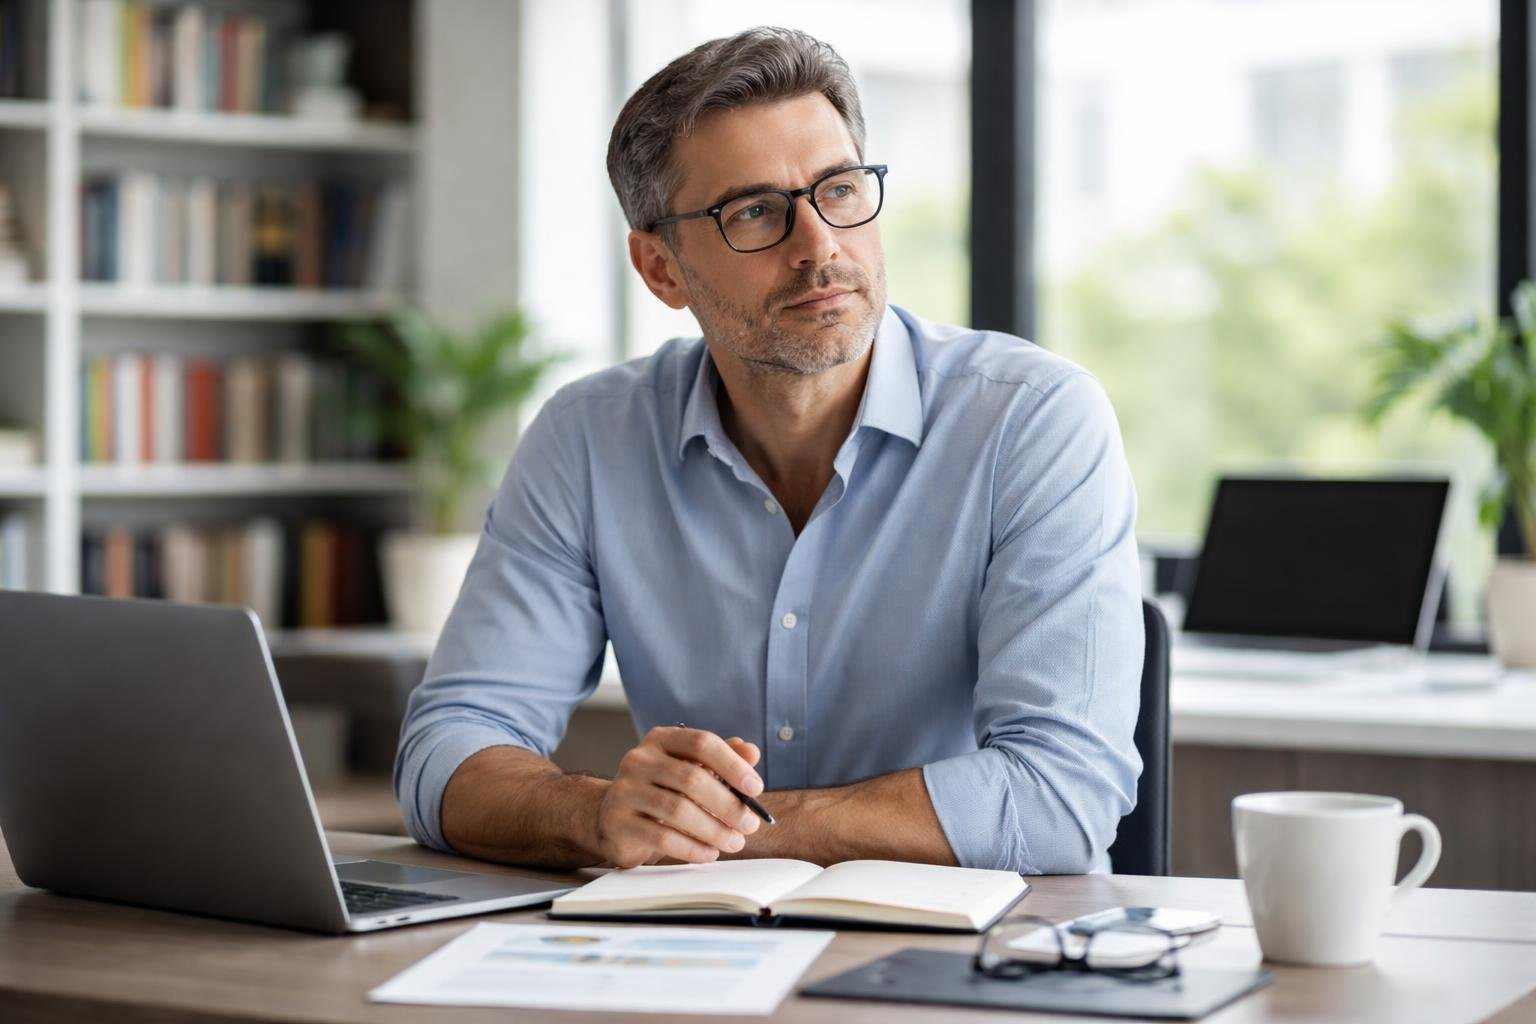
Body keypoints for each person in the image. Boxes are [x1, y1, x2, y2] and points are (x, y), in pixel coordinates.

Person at [394, 26, 1143, 875]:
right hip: (695, 942)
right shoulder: (588, 439)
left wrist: (721, 831)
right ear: (661, 269)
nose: (819, 245)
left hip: (979, 944)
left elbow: (1060, 797)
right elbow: (446, 751)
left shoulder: (1033, 419)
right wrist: (595, 814)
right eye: (753, 211)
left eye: (840, 189)